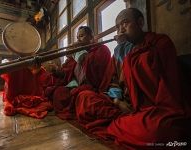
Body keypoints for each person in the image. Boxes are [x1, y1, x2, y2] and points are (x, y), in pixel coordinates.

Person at [75, 8, 191, 149]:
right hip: (123, 104)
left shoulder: (160, 43)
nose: (120, 30)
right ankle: (122, 120)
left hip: (154, 109)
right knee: (84, 97)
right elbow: (113, 81)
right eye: (117, 27)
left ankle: (120, 123)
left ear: (140, 22)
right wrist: (118, 101)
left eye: (124, 23)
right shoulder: (121, 53)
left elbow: (168, 88)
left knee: (161, 132)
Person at [51, 26, 113, 119]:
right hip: (77, 86)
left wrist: (78, 52)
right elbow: (67, 74)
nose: (78, 40)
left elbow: (95, 71)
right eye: (77, 37)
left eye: (81, 36)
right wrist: (55, 70)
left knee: (84, 97)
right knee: (59, 92)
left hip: (92, 87)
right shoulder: (77, 53)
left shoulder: (102, 49)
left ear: (91, 37)